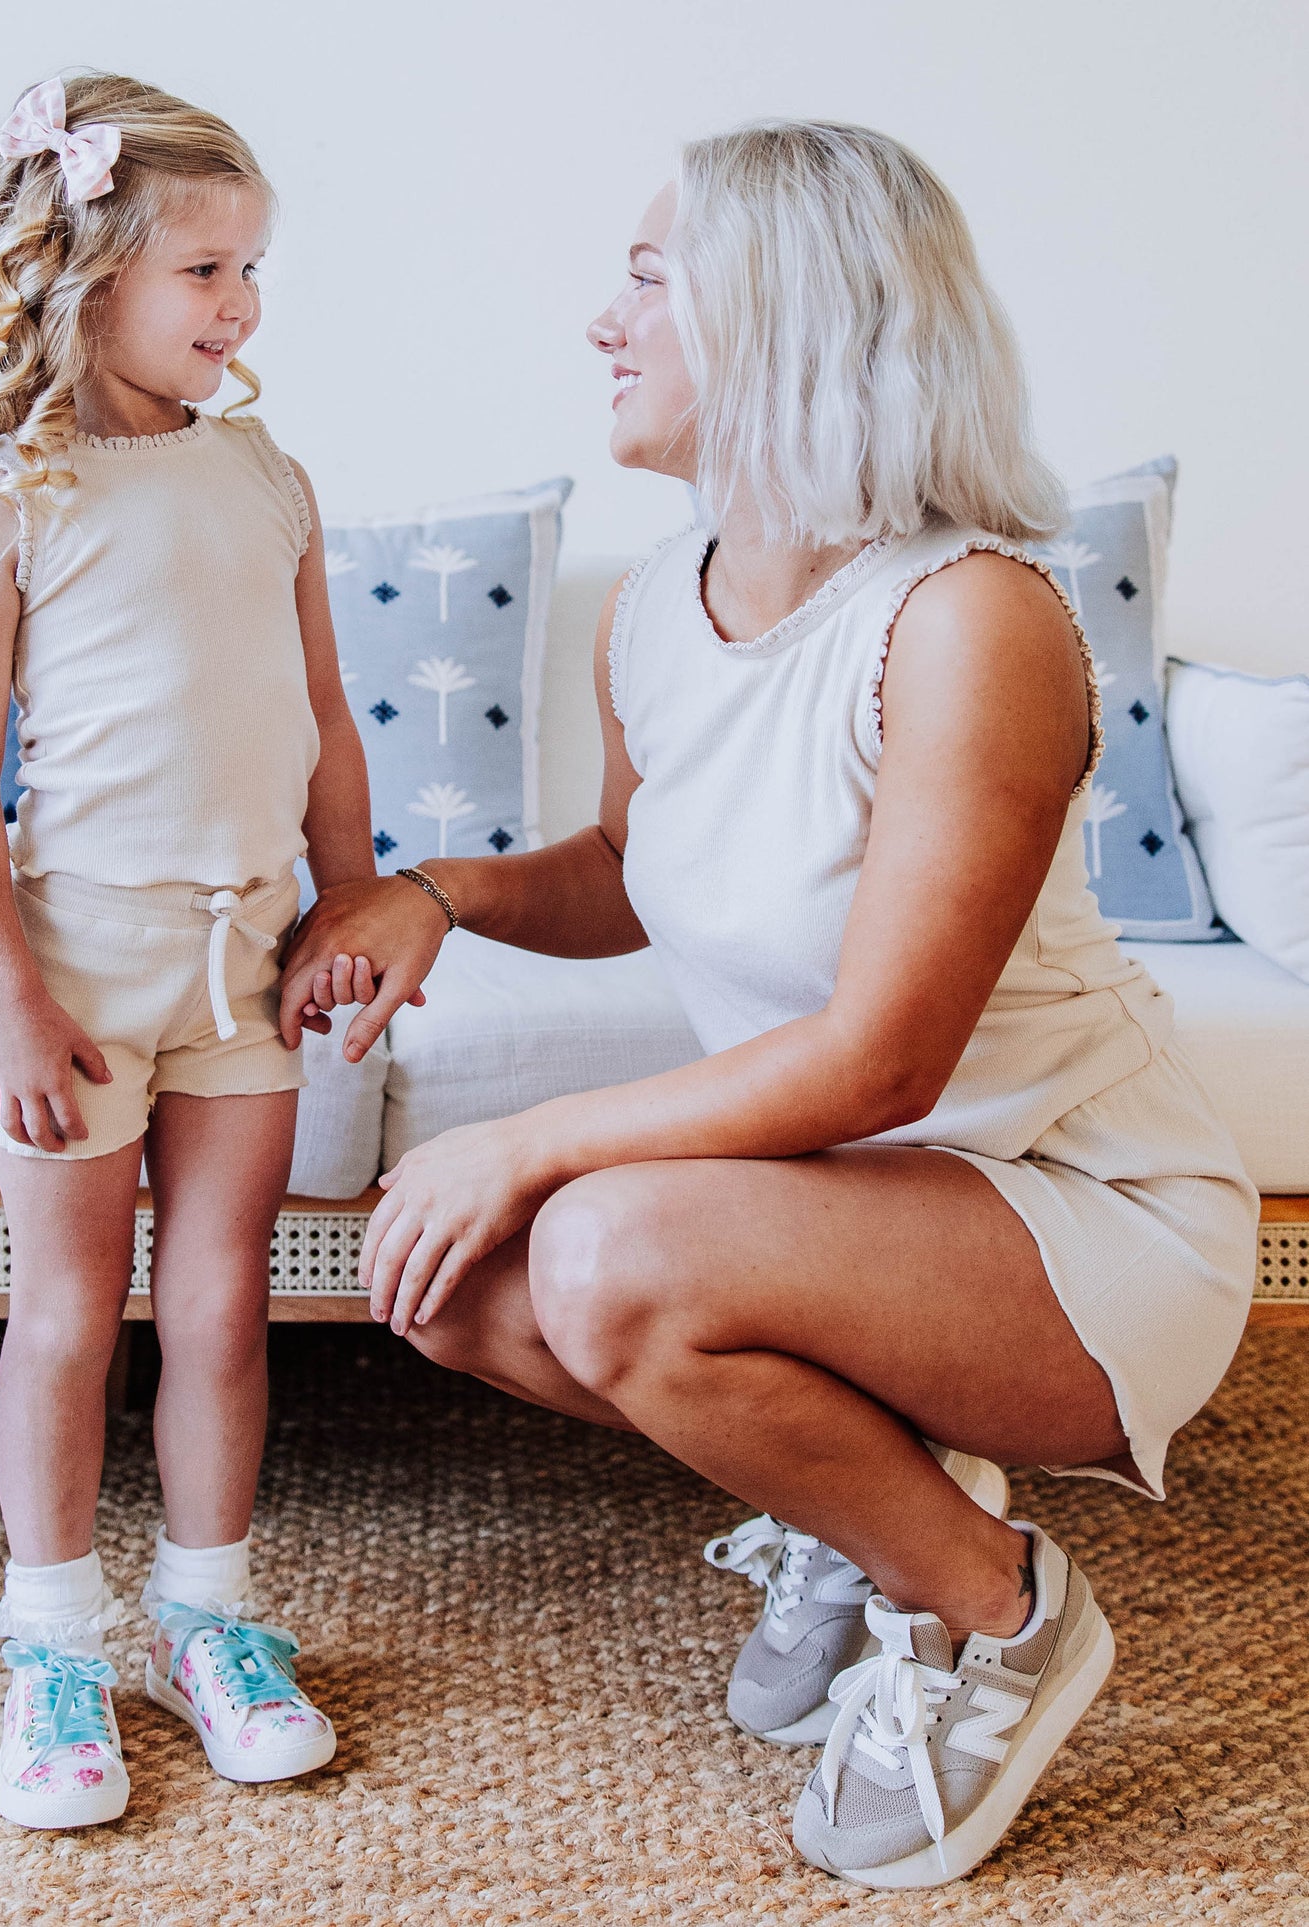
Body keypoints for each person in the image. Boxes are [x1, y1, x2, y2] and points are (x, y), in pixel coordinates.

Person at [279, 122, 1258, 1888]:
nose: (602, 318)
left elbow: (883, 1058)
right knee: (449, 1289)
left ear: (784, 313)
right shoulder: (661, 603)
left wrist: (523, 1143)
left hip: (1077, 1212)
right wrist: (438, 894)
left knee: (583, 1248)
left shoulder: (969, 619)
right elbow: (634, 871)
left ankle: (994, 1603)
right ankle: (872, 1506)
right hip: (868, 1209)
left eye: (649, 277)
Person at [0, 72, 388, 1828]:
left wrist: (346, 904)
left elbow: (329, 722)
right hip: (81, 972)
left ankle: (209, 1609)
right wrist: (12, 1006)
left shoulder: (268, 475)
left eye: (251, 268)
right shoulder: (9, 493)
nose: (241, 306)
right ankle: (52, 1640)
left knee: (217, 1300)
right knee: (65, 1318)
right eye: (204, 268)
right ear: (87, 273)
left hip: (246, 956)